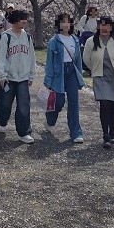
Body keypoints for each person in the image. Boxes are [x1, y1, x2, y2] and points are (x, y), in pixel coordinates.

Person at [84, 16, 114, 149]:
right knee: (104, 104)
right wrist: (94, 70)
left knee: (112, 105)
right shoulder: (91, 42)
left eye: (107, 25)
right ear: (98, 27)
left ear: (111, 27)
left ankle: (112, 133)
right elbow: (86, 59)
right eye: (102, 25)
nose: (104, 28)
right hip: (100, 77)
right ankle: (105, 135)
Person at [43, 13, 86, 143]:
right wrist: (48, 80)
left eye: (68, 22)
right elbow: (49, 62)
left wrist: (80, 77)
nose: (65, 24)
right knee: (59, 101)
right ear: (59, 24)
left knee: (73, 103)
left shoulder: (75, 40)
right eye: (63, 22)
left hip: (72, 72)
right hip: (58, 74)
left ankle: (76, 133)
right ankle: (50, 119)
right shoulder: (54, 41)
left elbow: (78, 60)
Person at [0, 9, 36, 144]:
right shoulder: (6, 37)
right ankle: (2, 121)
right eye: (21, 19)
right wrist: (2, 75)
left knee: (24, 105)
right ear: (14, 21)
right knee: (5, 104)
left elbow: (31, 58)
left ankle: (24, 132)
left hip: (23, 78)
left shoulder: (27, 37)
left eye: (25, 19)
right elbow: (1, 58)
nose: (24, 21)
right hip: (8, 78)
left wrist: (31, 75)